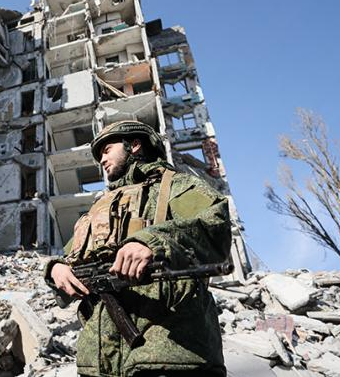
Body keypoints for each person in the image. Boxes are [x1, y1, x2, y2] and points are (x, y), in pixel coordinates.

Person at [46, 120, 232, 377]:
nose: (102, 160)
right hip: (100, 363)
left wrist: (151, 242)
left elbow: (215, 227)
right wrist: (56, 269)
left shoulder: (175, 186)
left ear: (134, 145)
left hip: (169, 354)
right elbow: (70, 256)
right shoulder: (99, 208)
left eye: (107, 150)